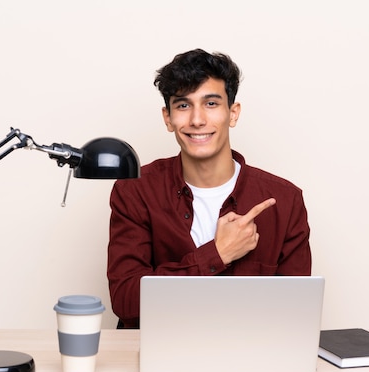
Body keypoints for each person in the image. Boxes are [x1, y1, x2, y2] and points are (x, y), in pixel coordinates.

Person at [107, 49, 311, 328]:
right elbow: (125, 300)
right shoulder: (136, 191)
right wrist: (218, 254)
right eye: (183, 105)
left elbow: (296, 314)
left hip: (249, 358)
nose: (197, 120)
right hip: (160, 354)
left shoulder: (284, 201)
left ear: (233, 113)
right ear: (168, 118)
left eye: (211, 103)